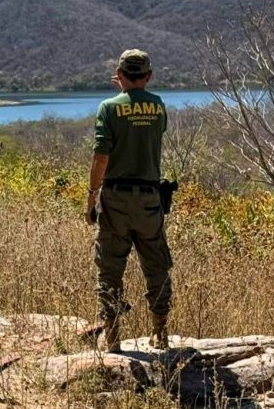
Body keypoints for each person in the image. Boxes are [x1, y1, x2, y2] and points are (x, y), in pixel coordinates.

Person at [86, 49, 173, 353]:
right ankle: (160, 333)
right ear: (148, 76)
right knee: (156, 265)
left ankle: (112, 339)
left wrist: (91, 195)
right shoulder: (159, 106)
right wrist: (131, 94)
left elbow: (101, 156)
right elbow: (149, 130)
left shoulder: (108, 108)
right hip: (150, 200)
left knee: (110, 267)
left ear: (119, 75)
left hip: (115, 200)